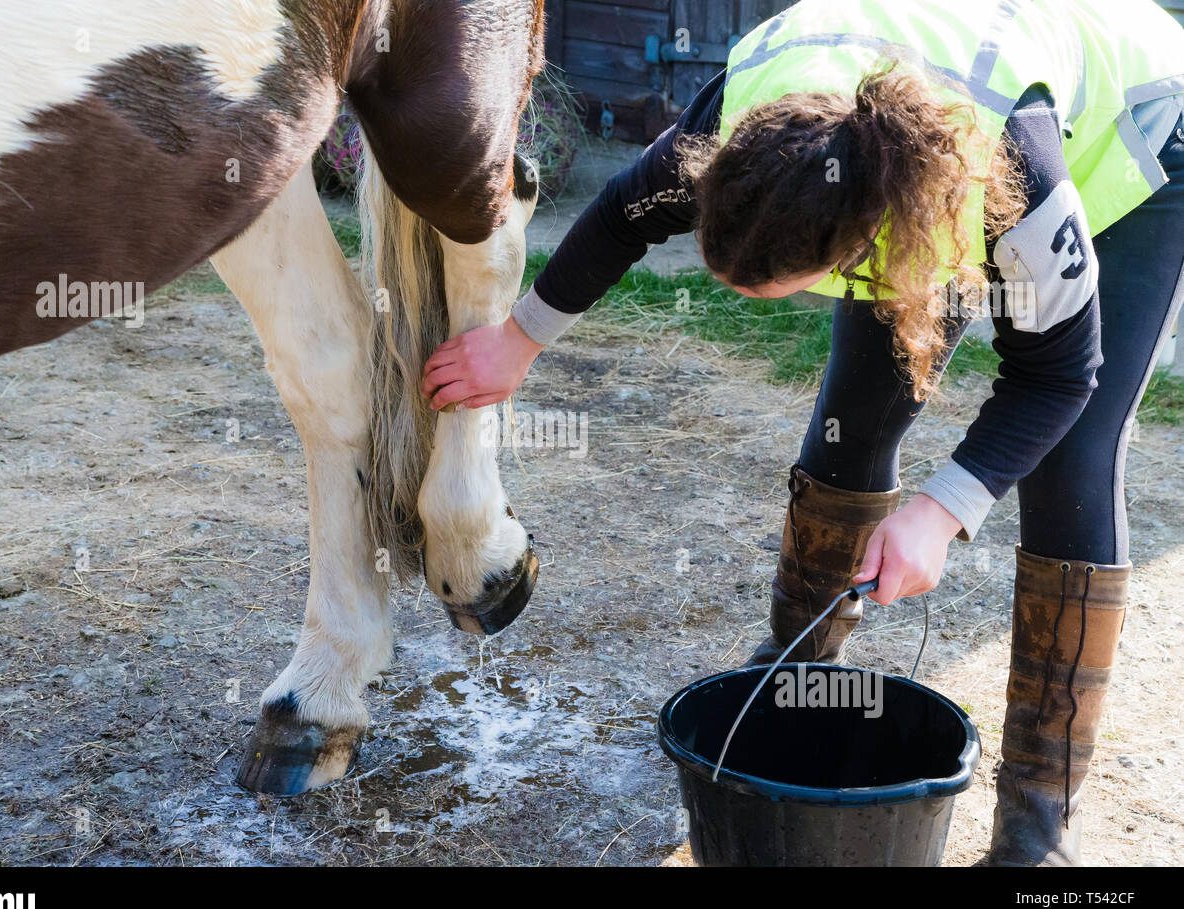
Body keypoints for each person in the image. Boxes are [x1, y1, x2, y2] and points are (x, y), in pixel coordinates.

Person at [421, 0, 1184, 865]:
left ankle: (1035, 826)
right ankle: (788, 676)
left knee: (1072, 465)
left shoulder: (1008, 166)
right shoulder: (741, 123)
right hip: (907, 151)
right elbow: (627, 212)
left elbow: (1056, 375)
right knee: (851, 420)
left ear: (861, 242)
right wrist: (519, 340)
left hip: (1138, 143)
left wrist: (942, 509)